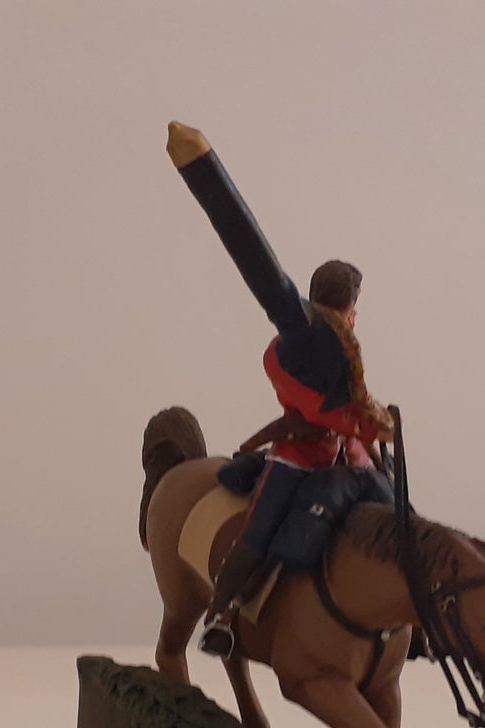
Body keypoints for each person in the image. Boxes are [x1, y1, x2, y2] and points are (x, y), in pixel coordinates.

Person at [167, 122, 393, 657]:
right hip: (300, 457)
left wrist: (377, 433)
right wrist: (202, 168)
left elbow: (355, 410)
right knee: (259, 534)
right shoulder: (302, 340)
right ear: (342, 306)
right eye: (354, 306)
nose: (355, 315)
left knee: (399, 521)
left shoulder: (343, 349)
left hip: (351, 458)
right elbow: (262, 269)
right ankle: (221, 615)